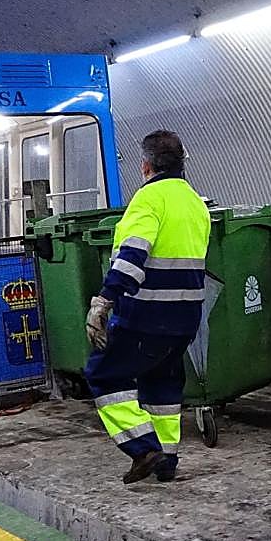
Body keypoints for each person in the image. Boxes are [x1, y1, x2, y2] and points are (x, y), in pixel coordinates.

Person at [84, 130, 210, 484]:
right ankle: (166, 461)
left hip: (147, 315)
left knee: (104, 374)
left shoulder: (149, 200)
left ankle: (143, 449)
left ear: (145, 165)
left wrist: (104, 300)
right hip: (186, 317)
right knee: (163, 385)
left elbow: (132, 255)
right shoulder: (194, 202)